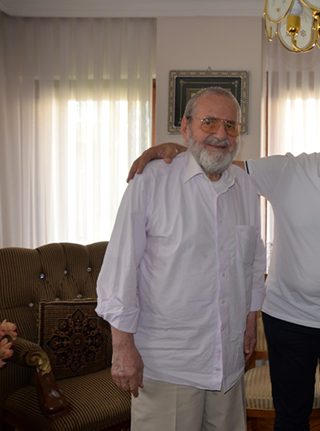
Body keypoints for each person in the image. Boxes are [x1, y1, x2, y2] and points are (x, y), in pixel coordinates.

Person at [127, 91, 320, 431]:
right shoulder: (287, 170)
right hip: (287, 318)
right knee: (290, 416)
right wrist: (177, 149)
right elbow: (221, 161)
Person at [97, 87, 266, 431]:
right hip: (169, 365)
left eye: (231, 125)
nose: (221, 134)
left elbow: (253, 263)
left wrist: (250, 320)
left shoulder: (246, 187)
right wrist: (122, 347)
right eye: (209, 122)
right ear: (186, 128)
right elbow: (120, 269)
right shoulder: (151, 180)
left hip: (228, 362)